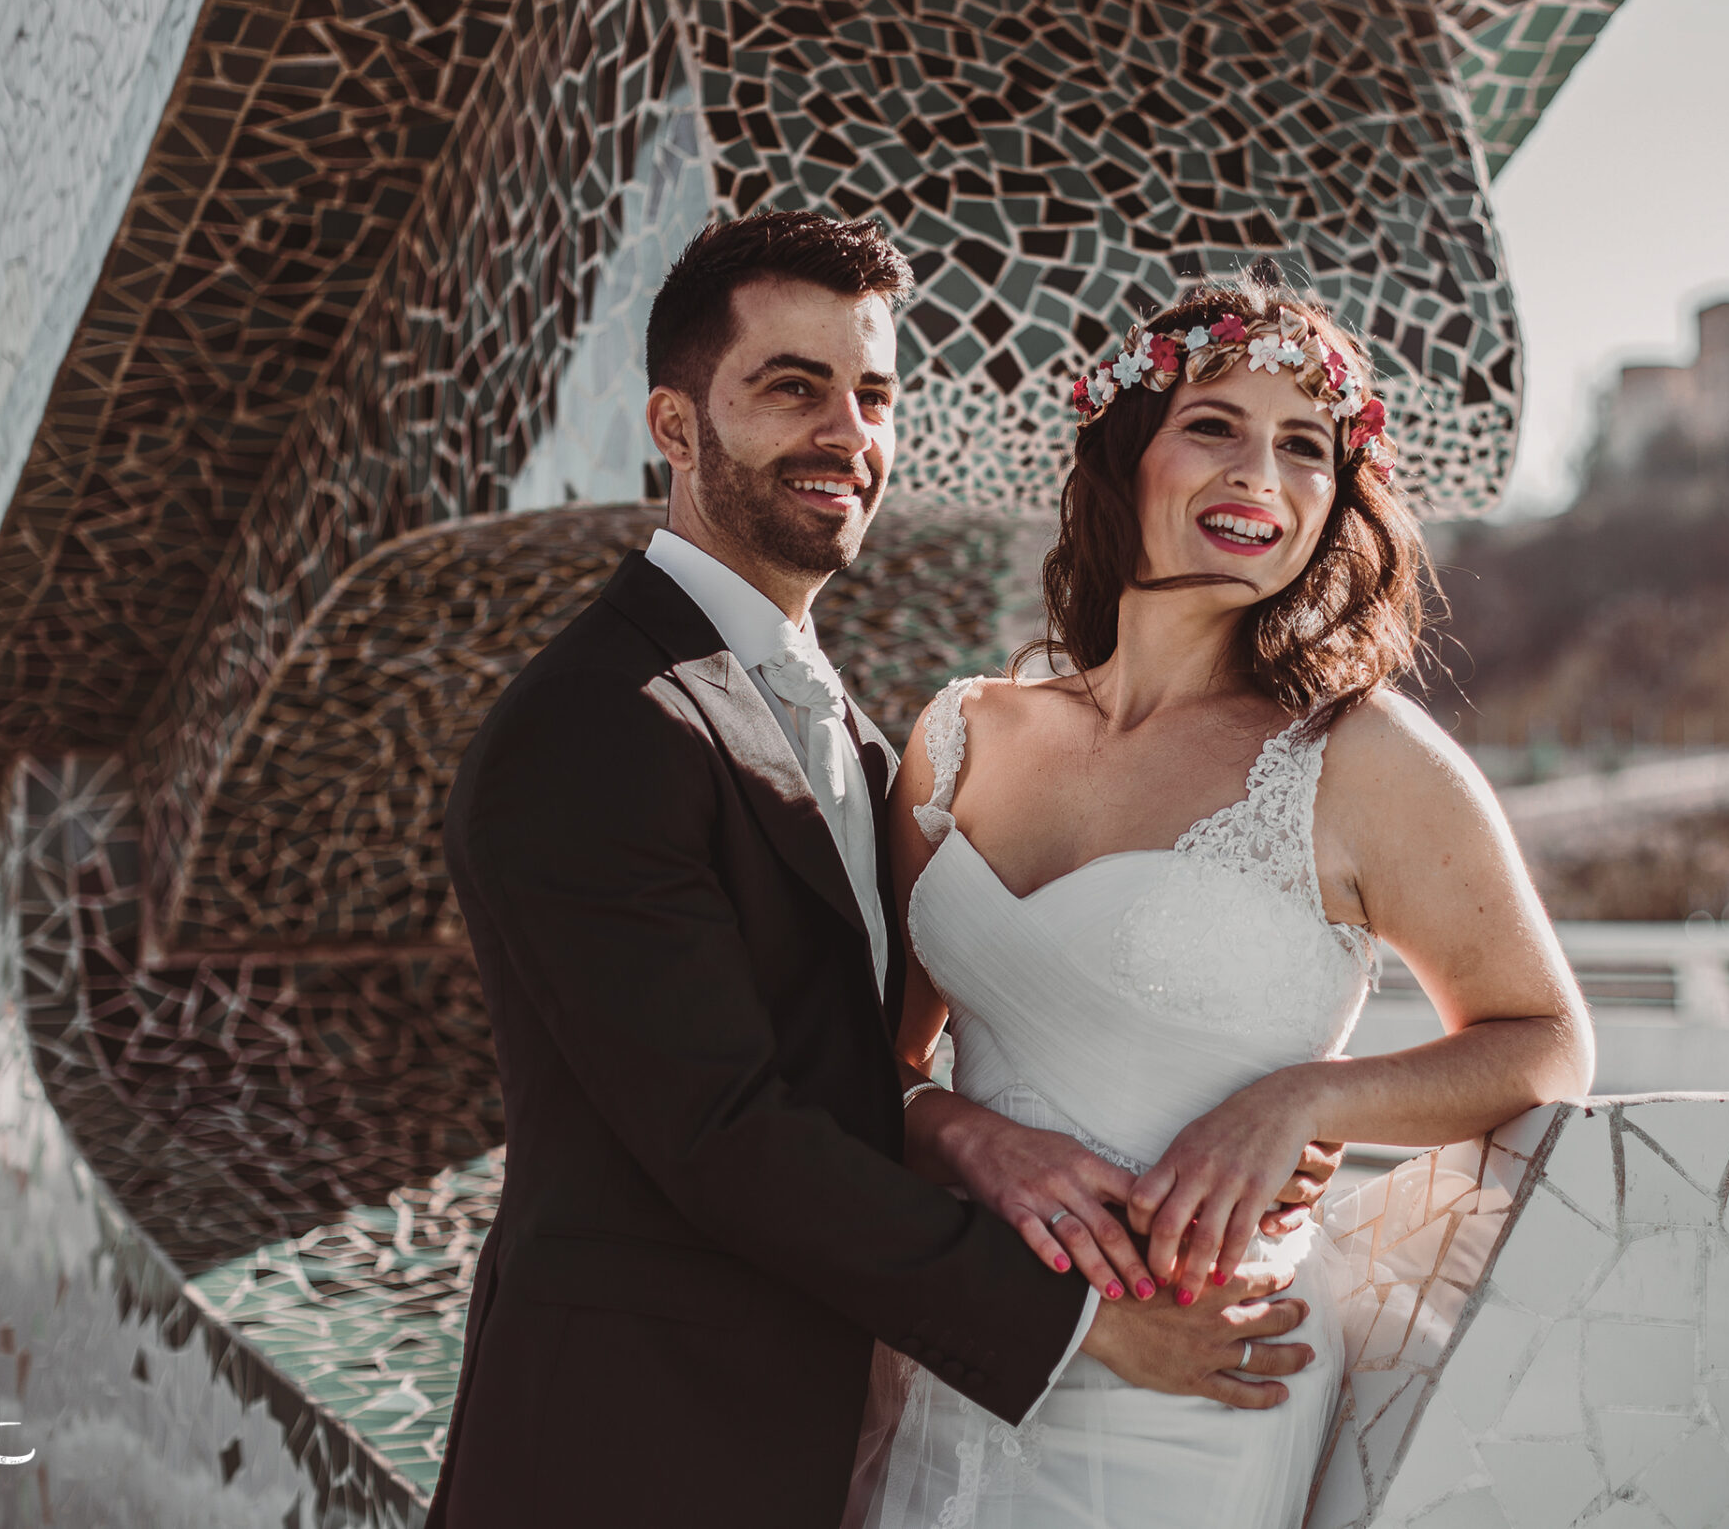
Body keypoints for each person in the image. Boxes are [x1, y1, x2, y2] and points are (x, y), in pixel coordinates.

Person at [425, 214, 1334, 1527]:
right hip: (630, 1450)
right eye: (792, 388)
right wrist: (1083, 1324)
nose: (845, 433)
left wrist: (989, 1123)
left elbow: (845, 1055)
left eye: (873, 394)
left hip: (823, 1440)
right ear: (674, 425)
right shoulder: (596, 720)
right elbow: (720, 1132)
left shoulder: (842, 724)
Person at [856, 272, 1595, 1527]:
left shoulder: (1362, 757)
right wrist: (966, 1138)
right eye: (1214, 425)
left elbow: (1546, 1043)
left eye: (1305, 445)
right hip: (969, 1349)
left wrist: (1305, 1098)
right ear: (1125, 455)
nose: (1261, 473)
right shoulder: (960, 738)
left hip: (1204, 1372)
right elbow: (872, 1064)